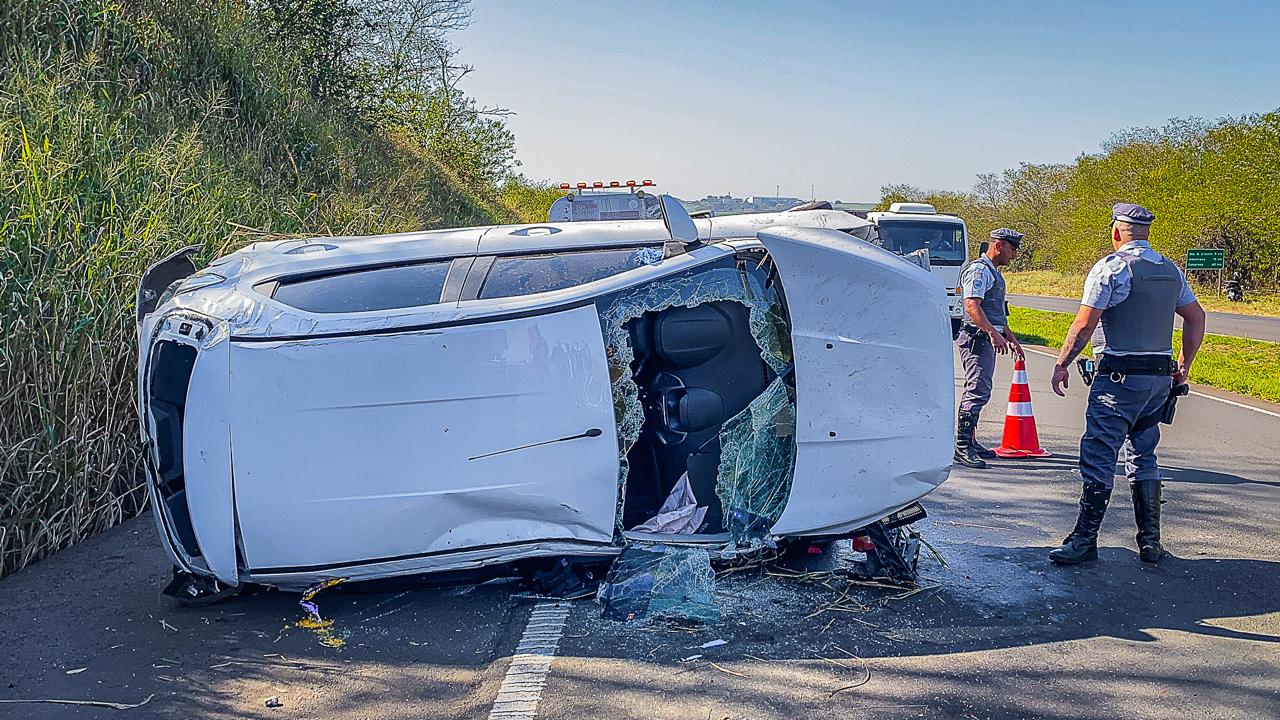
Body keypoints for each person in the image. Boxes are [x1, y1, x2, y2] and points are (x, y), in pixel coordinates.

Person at [1048, 203, 1206, 565]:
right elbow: (1196, 317)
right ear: (1146, 233)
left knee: (1100, 455)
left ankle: (1084, 541)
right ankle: (1150, 542)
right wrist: (1184, 366)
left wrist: (1062, 363)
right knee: (1144, 455)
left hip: (1118, 380)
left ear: (1116, 232)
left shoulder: (1111, 269)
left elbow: (1085, 325)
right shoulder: (1171, 271)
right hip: (1158, 382)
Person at [954, 228, 1024, 469]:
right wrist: (993, 334)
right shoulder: (979, 270)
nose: (1014, 255)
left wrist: (1009, 336)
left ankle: (970, 442)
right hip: (976, 339)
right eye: (1012, 249)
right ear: (1000, 245)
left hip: (985, 338)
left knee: (982, 389)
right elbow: (972, 306)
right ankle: (962, 447)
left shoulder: (993, 272)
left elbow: (995, 313)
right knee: (976, 389)